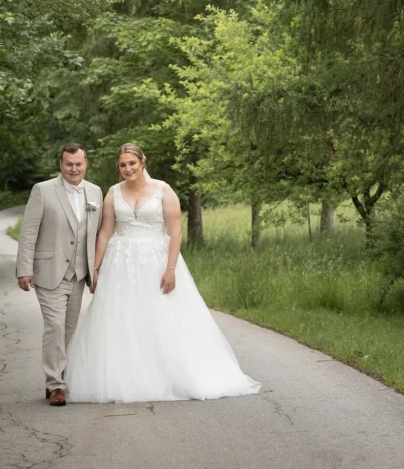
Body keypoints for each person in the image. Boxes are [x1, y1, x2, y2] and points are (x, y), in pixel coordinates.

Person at [65, 143, 261, 403]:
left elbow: (175, 231)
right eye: (122, 165)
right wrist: (96, 267)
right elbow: (105, 231)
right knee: (122, 319)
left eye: (132, 163)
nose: (128, 169)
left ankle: (170, 375)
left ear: (143, 161)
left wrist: (170, 269)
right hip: (120, 262)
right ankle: (129, 378)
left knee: (160, 316)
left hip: (157, 262)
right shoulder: (113, 193)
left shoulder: (163, 190)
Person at [15, 143, 103, 407]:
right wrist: (24, 268)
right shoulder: (42, 190)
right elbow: (29, 232)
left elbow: (98, 233)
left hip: (78, 273)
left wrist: (96, 269)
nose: (73, 168)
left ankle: (60, 378)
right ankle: (55, 386)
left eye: (78, 164)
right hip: (49, 271)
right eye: (68, 164)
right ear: (61, 164)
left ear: (86, 163)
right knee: (54, 326)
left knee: (69, 329)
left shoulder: (96, 192)